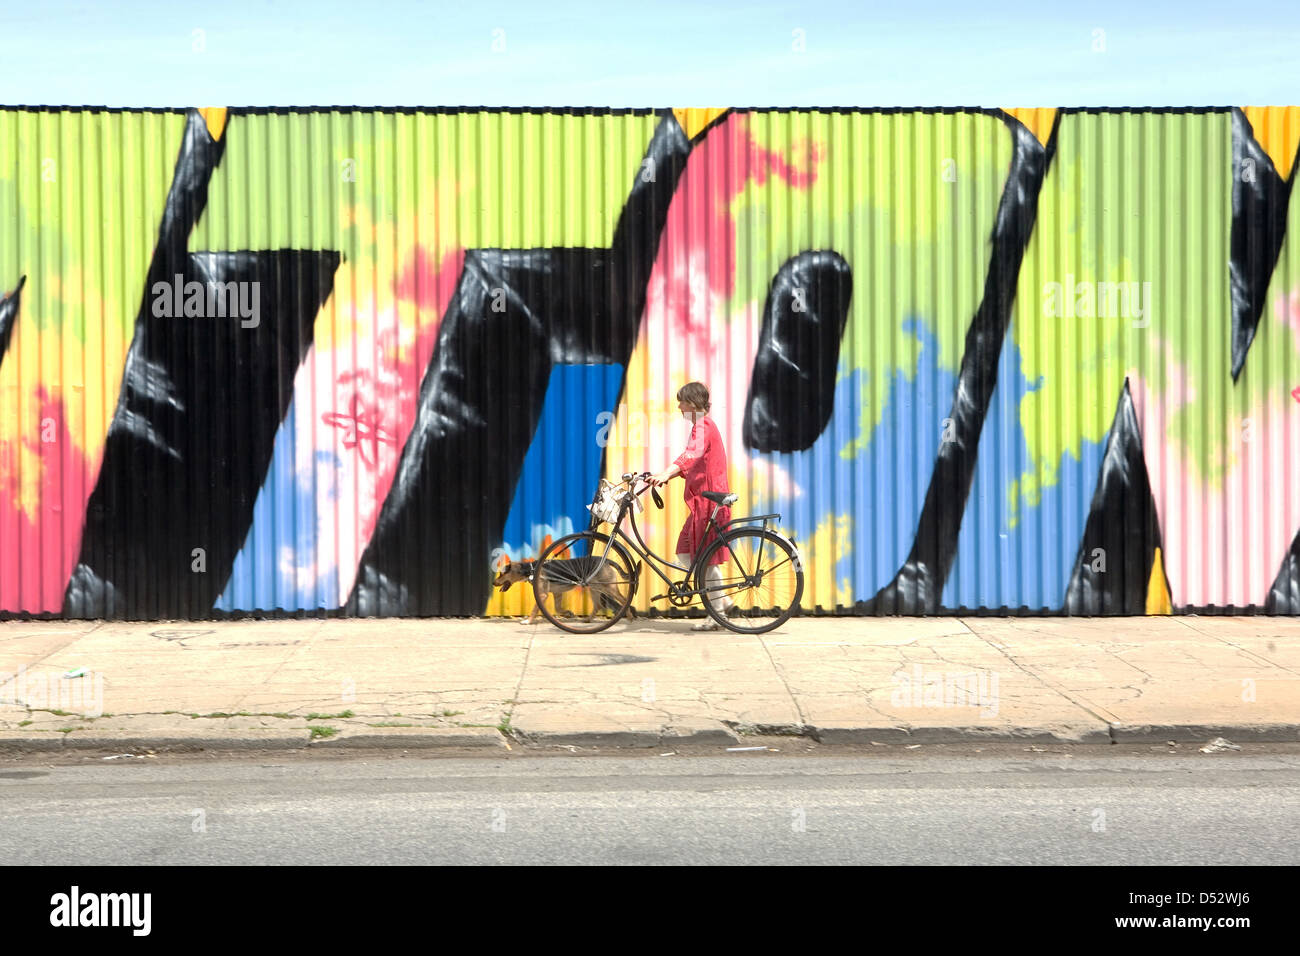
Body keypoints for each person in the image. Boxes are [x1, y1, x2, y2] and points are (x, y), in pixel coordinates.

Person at [650, 382, 735, 630]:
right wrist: (663, 474)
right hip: (702, 502)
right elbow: (693, 462)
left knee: (704, 559)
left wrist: (666, 473)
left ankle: (717, 613)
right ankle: (723, 601)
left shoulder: (704, 426)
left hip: (709, 502)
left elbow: (691, 455)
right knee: (687, 552)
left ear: (694, 403)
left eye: (682, 402)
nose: (679, 406)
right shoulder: (702, 427)